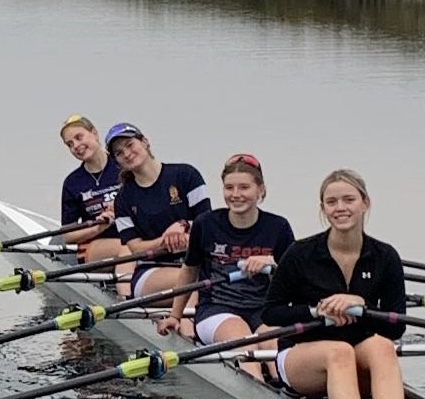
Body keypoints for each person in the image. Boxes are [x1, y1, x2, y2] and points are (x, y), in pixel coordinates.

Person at [263, 167, 409, 399]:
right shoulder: (300, 253)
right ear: (323, 209)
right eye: (332, 202)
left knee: (382, 347)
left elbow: (396, 325)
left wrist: (362, 307)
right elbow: (271, 313)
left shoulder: (385, 256)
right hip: (302, 358)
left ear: (365, 203)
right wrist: (316, 311)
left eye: (348, 200)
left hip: (359, 353)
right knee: (338, 351)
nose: (340, 208)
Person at [182, 154, 294, 350]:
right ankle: (252, 375)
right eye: (229, 188)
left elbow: (294, 284)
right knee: (244, 341)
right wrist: (176, 317)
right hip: (216, 308)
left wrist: (274, 266)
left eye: (244, 187)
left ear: (260, 189)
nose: (235, 194)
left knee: (275, 348)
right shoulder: (206, 224)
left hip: (262, 311)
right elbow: (189, 271)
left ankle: (276, 378)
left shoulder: (279, 226)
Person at [105, 124, 212, 298]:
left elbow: (207, 224)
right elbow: (135, 248)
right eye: (118, 152)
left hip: (198, 263)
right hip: (152, 270)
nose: (126, 153)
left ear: (145, 142)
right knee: (191, 281)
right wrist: (166, 241)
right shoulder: (123, 200)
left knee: (196, 279)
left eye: (130, 144)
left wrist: (183, 225)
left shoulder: (187, 175)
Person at [53, 116, 126, 253]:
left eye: (79, 137)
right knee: (127, 249)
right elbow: (68, 235)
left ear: (95, 133)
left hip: (135, 238)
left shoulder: (124, 164)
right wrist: (98, 227)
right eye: (70, 144)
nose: (75, 146)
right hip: (97, 246)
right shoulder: (72, 182)